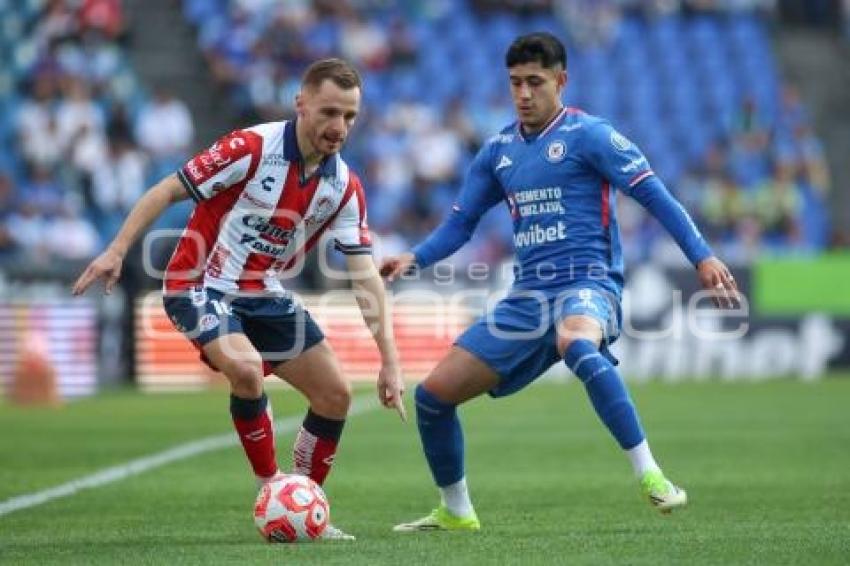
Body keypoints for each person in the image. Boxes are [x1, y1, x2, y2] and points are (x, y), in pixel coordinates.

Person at [381, 33, 739, 532]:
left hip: (588, 282)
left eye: (534, 82)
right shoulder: (498, 151)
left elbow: (655, 195)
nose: (523, 93)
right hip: (527, 297)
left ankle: (651, 475)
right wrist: (413, 258)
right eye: (514, 83)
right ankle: (456, 509)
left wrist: (701, 256)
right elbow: (460, 224)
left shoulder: (591, 135)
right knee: (433, 396)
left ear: (560, 80)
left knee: (575, 339)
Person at [73, 58, 406, 541]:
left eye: (350, 117)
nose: (339, 127)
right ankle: (271, 487)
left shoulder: (343, 186)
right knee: (246, 369)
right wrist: (117, 249)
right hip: (197, 284)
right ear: (302, 103)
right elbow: (169, 189)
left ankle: (299, 508)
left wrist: (389, 362)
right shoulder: (250, 148)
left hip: (264, 293)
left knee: (335, 394)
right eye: (329, 112)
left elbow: (364, 277)